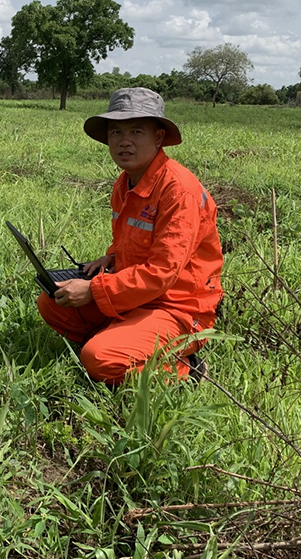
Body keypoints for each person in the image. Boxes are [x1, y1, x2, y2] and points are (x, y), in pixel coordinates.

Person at [37, 87, 224, 385]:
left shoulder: (179, 191)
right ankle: (123, 341)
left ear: (158, 138)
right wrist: (111, 258)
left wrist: (94, 290)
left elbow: (162, 273)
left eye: (136, 131)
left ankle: (186, 369)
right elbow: (131, 240)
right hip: (135, 296)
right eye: (116, 132)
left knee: (99, 359)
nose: (124, 142)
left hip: (179, 307)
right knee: (52, 303)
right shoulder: (125, 183)